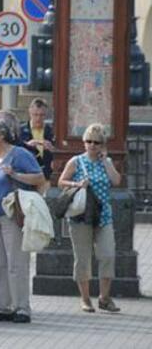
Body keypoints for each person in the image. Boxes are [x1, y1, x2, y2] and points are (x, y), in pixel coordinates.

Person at [0, 119, 44, 324]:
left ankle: (22, 307)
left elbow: (38, 178)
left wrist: (14, 174)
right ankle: (3, 307)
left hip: (12, 214)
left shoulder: (19, 154)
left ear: (1, 134)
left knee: (16, 261)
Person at [58, 123, 121, 313]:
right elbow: (61, 182)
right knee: (83, 258)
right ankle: (85, 299)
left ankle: (104, 297)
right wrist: (77, 183)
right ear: (84, 142)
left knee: (108, 254)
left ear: (102, 144)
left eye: (96, 142)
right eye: (88, 141)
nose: (92, 145)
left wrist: (107, 162)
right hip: (81, 215)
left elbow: (117, 181)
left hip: (103, 216)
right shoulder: (76, 161)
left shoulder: (106, 162)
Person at [21, 98, 55, 181]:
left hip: (47, 173)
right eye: (35, 114)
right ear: (30, 113)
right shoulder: (20, 130)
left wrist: (53, 149)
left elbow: (59, 151)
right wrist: (27, 145)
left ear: (46, 114)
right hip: (27, 173)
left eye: (42, 115)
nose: (38, 118)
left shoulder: (52, 131)